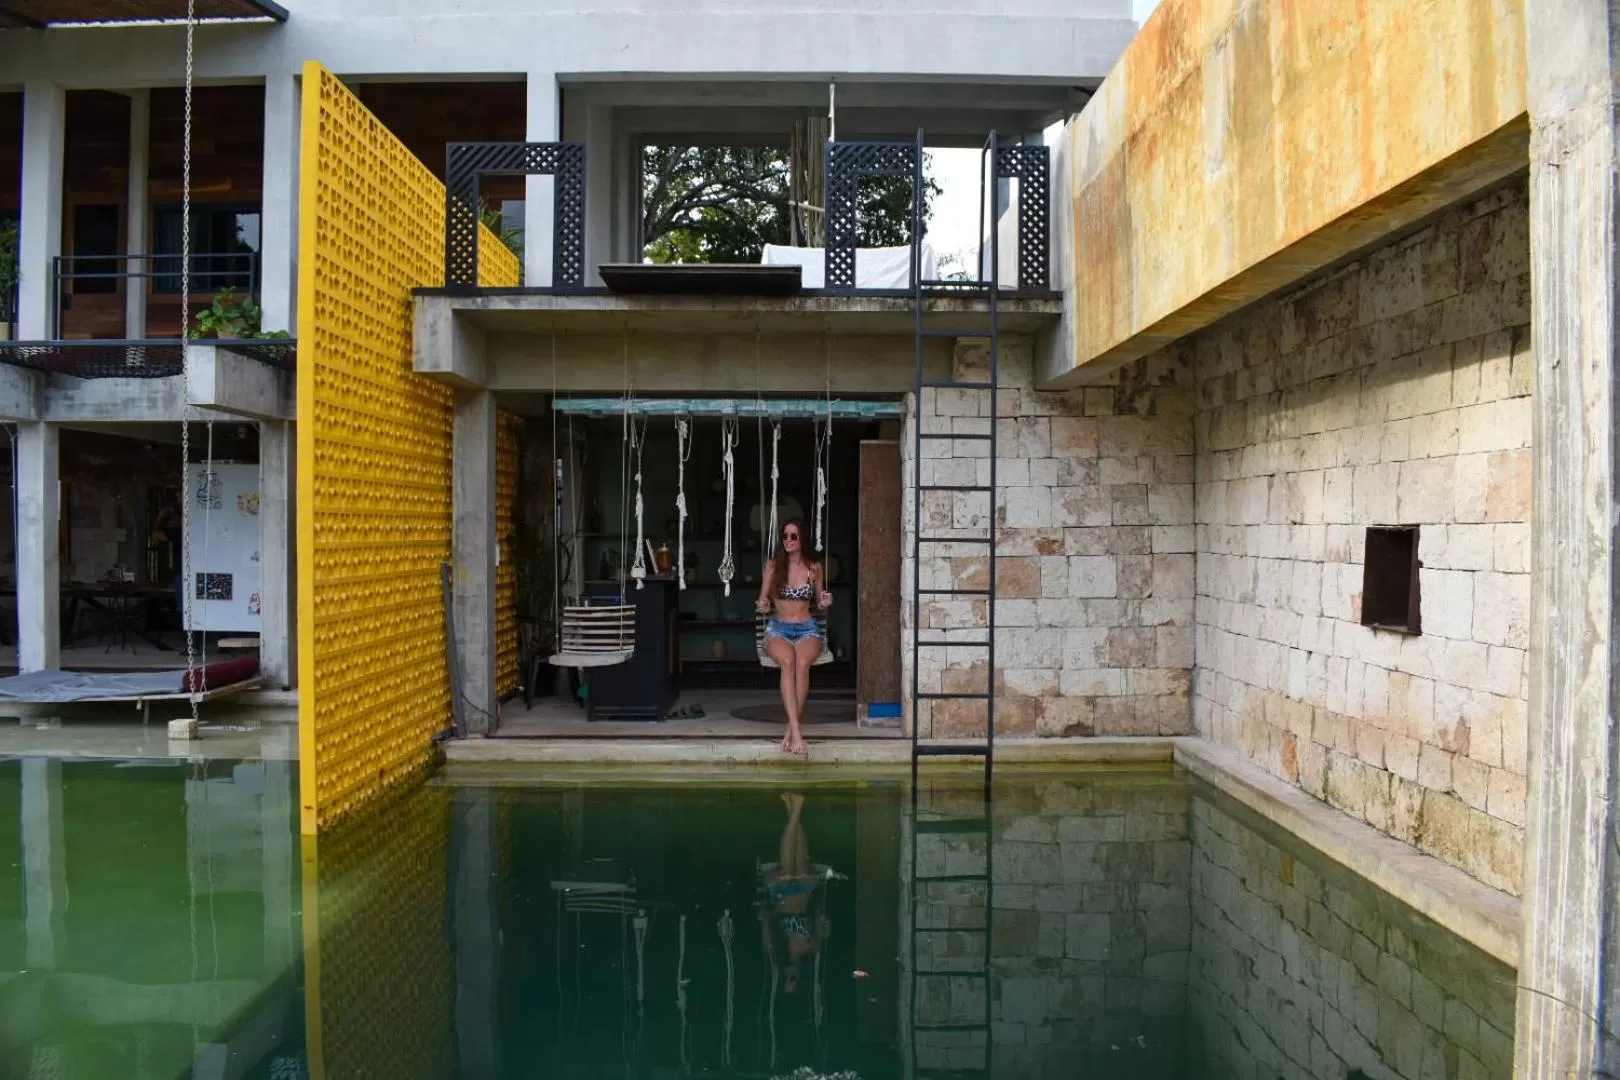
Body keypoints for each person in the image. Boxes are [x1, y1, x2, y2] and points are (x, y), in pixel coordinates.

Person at [755, 519, 832, 757]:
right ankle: (797, 731)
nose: (788, 540)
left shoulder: (814, 568)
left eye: (793, 536)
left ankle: (791, 729)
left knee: (802, 664)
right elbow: (762, 601)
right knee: (788, 662)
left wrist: (825, 602)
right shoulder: (773, 566)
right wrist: (763, 604)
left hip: (807, 628)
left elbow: (820, 603)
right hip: (778, 629)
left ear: (802, 539)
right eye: (785, 536)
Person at [758, 793, 829, 994]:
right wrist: (824, 925)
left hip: (780, 891)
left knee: (788, 873)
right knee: (801, 870)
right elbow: (820, 916)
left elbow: (764, 915)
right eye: (793, 978)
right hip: (804, 891)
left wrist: (768, 917)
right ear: (799, 976)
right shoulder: (812, 947)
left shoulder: (772, 949)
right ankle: (793, 810)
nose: (789, 973)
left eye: (785, 978)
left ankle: (795, 809)